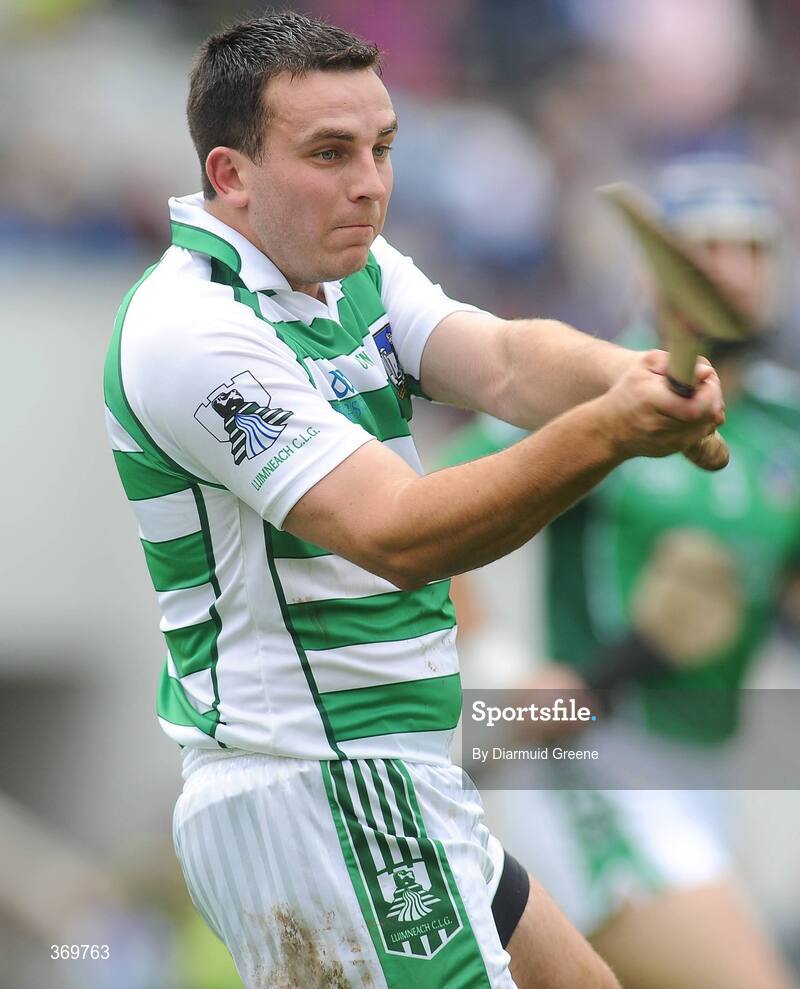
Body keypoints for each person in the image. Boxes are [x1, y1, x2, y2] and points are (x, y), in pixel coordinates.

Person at [101, 11, 728, 989]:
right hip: (318, 783)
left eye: (383, 147)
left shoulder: (345, 270)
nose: (370, 182)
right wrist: (616, 429)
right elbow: (398, 533)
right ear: (230, 175)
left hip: (397, 777)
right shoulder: (192, 330)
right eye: (329, 152)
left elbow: (510, 361)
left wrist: (635, 376)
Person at [442, 155, 800, 989]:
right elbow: (431, 512)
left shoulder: (796, 420)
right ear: (655, 270)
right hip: (593, 756)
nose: (732, 268)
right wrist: (505, 673)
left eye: (752, 247)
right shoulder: (603, 387)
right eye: (705, 246)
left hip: (710, 771)